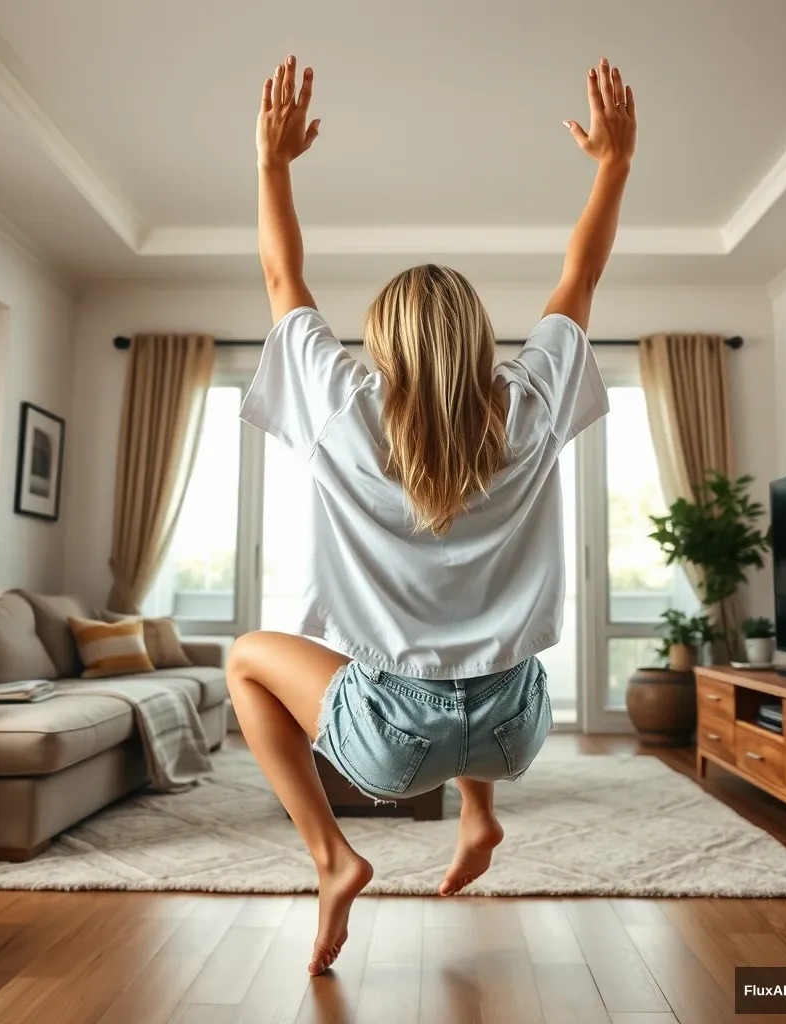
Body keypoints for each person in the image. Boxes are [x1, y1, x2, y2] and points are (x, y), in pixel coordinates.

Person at [227, 53, 637, 975]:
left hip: (391, 739)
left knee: (246, 661)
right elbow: (583, 273)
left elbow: (279, 273)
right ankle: (482, 811)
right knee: (474, 650)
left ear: (381, 345)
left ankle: (334, 859)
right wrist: (613, 164)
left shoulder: (342, 409)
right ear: (482, 340)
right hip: (518, 725)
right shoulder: (529, 409)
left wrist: (272, 162)